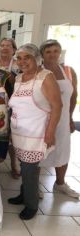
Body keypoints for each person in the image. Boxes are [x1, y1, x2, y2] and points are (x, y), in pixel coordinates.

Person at [8, 44, 62, 220]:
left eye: (27, 58)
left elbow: (57, 106)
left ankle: (31, 205)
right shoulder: (19, 78)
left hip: (37, 132)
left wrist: (50, 132)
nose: (22, 62)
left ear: (36, 58)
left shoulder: (45, 77)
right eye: (19, 58)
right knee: (24, 166)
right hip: (19, 131)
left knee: (30, 169)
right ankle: (24, 194)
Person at [39, 39, 79, 198]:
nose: (52, 54)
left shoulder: (69, 71)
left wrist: (70, 117)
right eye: (48, 52)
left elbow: (73, 95)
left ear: (60, 52)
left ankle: (60, 183)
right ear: (42, 54)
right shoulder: (38, 71)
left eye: (56, 51)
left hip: (62, 119)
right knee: (41, 151)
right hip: (43, 118)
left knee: (62, 149)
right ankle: (34, 185)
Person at [0, 37, 20, 179]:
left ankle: (14, 164)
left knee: (12, 135)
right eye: (3, 45)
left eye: (8, 45)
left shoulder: (18, 63)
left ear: (13, 49)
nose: (5, 48)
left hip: (14, 102)